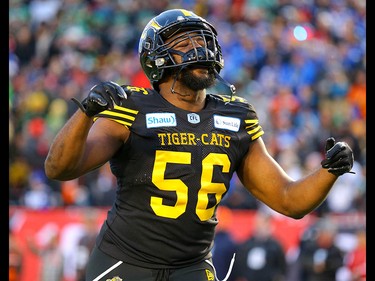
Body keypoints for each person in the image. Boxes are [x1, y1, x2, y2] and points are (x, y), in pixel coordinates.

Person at [44, 8, 355, 281]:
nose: (197, 49)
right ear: (157, 58)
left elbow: (289, 200)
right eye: (183, 44)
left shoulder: (236, 115)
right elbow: (58, 169)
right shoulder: (131, 107)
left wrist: (329, 170)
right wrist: (85, 114)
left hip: (191, 267)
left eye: (201, 41)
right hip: (124, 262)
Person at [231, 211, 287, 281]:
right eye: (259, 223)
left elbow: (281, 267)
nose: (260, 227)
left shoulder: (275, 246)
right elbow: (239, 265)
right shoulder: (246, 244)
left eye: (264, 224)